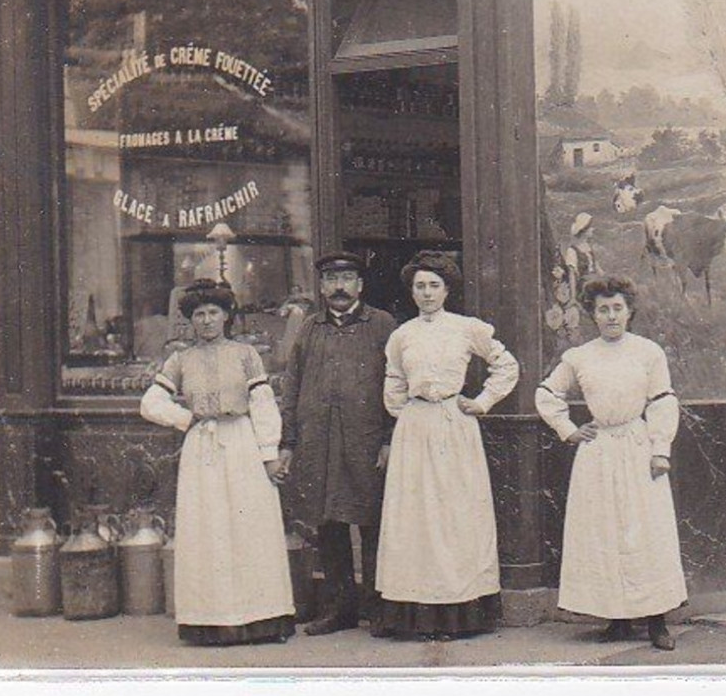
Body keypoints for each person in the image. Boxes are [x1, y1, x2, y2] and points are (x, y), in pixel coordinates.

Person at [371, 251, 520, 639]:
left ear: (447, 289)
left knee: (455, 515)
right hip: (416, 428)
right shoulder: (402, 335)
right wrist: (405, 413)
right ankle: (414, 613)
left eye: (434, 286)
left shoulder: (467, 328)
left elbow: (507, 367)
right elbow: (394, 379)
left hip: (455, 425)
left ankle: (460, 610)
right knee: (415, 515)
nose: (426, 293)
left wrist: (482, 401)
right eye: (419, 286)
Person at [139, 279, 295, 645]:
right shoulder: (180, 359)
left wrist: (269, 455)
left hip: (241, 441)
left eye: (213, 313)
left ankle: (262, 616)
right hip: (202, 447)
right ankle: (210, 620)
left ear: (226, 316)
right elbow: (150, 403)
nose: (206, 321)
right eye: (199, 315)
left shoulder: (245, 354)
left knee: (249, 526)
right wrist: (183, 418)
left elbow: (262, 404)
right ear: (190, 321)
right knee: (208, 528)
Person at [536, 276, 687, 651]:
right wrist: (568, 430)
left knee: (646, 531)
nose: (611, 316)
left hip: (637, 448)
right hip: (598, 450)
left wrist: (660, 449)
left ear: (629, 310)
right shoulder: (579, 356)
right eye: (603, 309)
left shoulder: (648, 352)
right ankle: (616, 619)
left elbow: (663, 400)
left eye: (617, 308)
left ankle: (656, 622)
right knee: (603, 532)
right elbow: (547, 392)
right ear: (593, 314)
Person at [279, 253, 397, 635]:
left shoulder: (381, 325)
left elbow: (397, 385)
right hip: (319, 442)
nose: (340, 287)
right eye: (332, 279)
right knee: (328, 523)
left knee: (372, 522)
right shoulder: (309, 328)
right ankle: (339, 608)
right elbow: (292, 386)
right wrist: (289, 441)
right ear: (322, 287)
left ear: (360, 285)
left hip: (365, 442)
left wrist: (388, 439)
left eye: (347, 278)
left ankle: (380, 607)